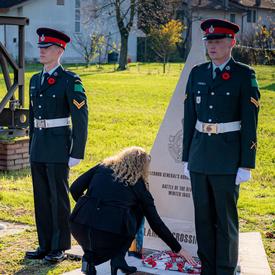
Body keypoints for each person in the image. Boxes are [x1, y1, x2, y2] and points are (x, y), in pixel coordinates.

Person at [182, 18, 260, 275]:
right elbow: (189, 118)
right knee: (202, 217)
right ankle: (208, 266)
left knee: (225, 220)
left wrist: (246, 163)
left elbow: (250, 122)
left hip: (227, 157)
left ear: (232, 42)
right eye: (209, 42)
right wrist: (186, 157)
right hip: (199, 155)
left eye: (218, 41)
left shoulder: (244, 75)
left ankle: (225, 269)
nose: (212, 46)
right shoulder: (198, 73)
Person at [70, 146, 196, 275]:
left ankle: (90, 259)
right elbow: (155, 222)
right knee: (138, 210)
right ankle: (117, 259)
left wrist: (87, 206)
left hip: (78, 226)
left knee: (98, 227)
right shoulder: (139, 185)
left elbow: (74, 188)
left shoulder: (101, 167)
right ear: (142, 167)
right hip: (110, 234)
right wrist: (179, 249)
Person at [26, 28, 88, 263]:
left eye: (47, 48)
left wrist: (77, 151)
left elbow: (81, 118)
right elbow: (33, 117)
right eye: (40, 47)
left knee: (57, 197)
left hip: (59, 145)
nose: (41, 51)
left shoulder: (70, 80)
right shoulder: (35, 79)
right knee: (41, 197)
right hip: (39, 145)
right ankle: (44, 244)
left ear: (59, 51)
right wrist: (31, 144)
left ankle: (59, 246)